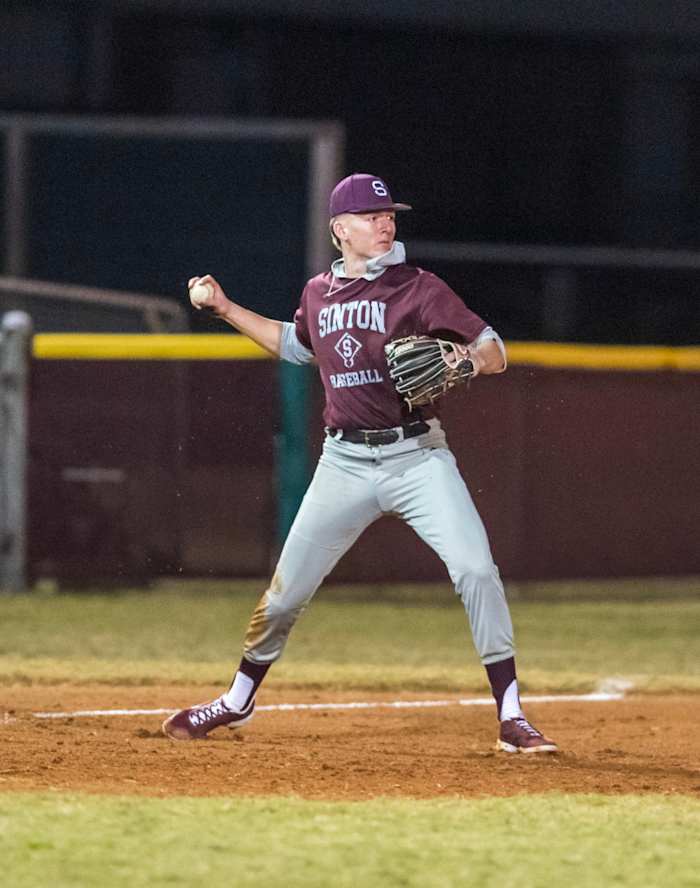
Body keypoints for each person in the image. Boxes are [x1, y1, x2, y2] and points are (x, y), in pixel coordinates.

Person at [163, 173, 558, 754]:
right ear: (338, 229)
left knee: (476, 570)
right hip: (343, 463)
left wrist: (464, 363)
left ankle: (512, 715)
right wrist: (223, 308)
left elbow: (495, 350)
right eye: (373, 216)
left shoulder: (418, 287)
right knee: (286, 594)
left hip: (418, 457)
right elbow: (294, 345)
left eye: (390, 215)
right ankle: (237, 700)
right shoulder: (318, 293)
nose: (386, 223)